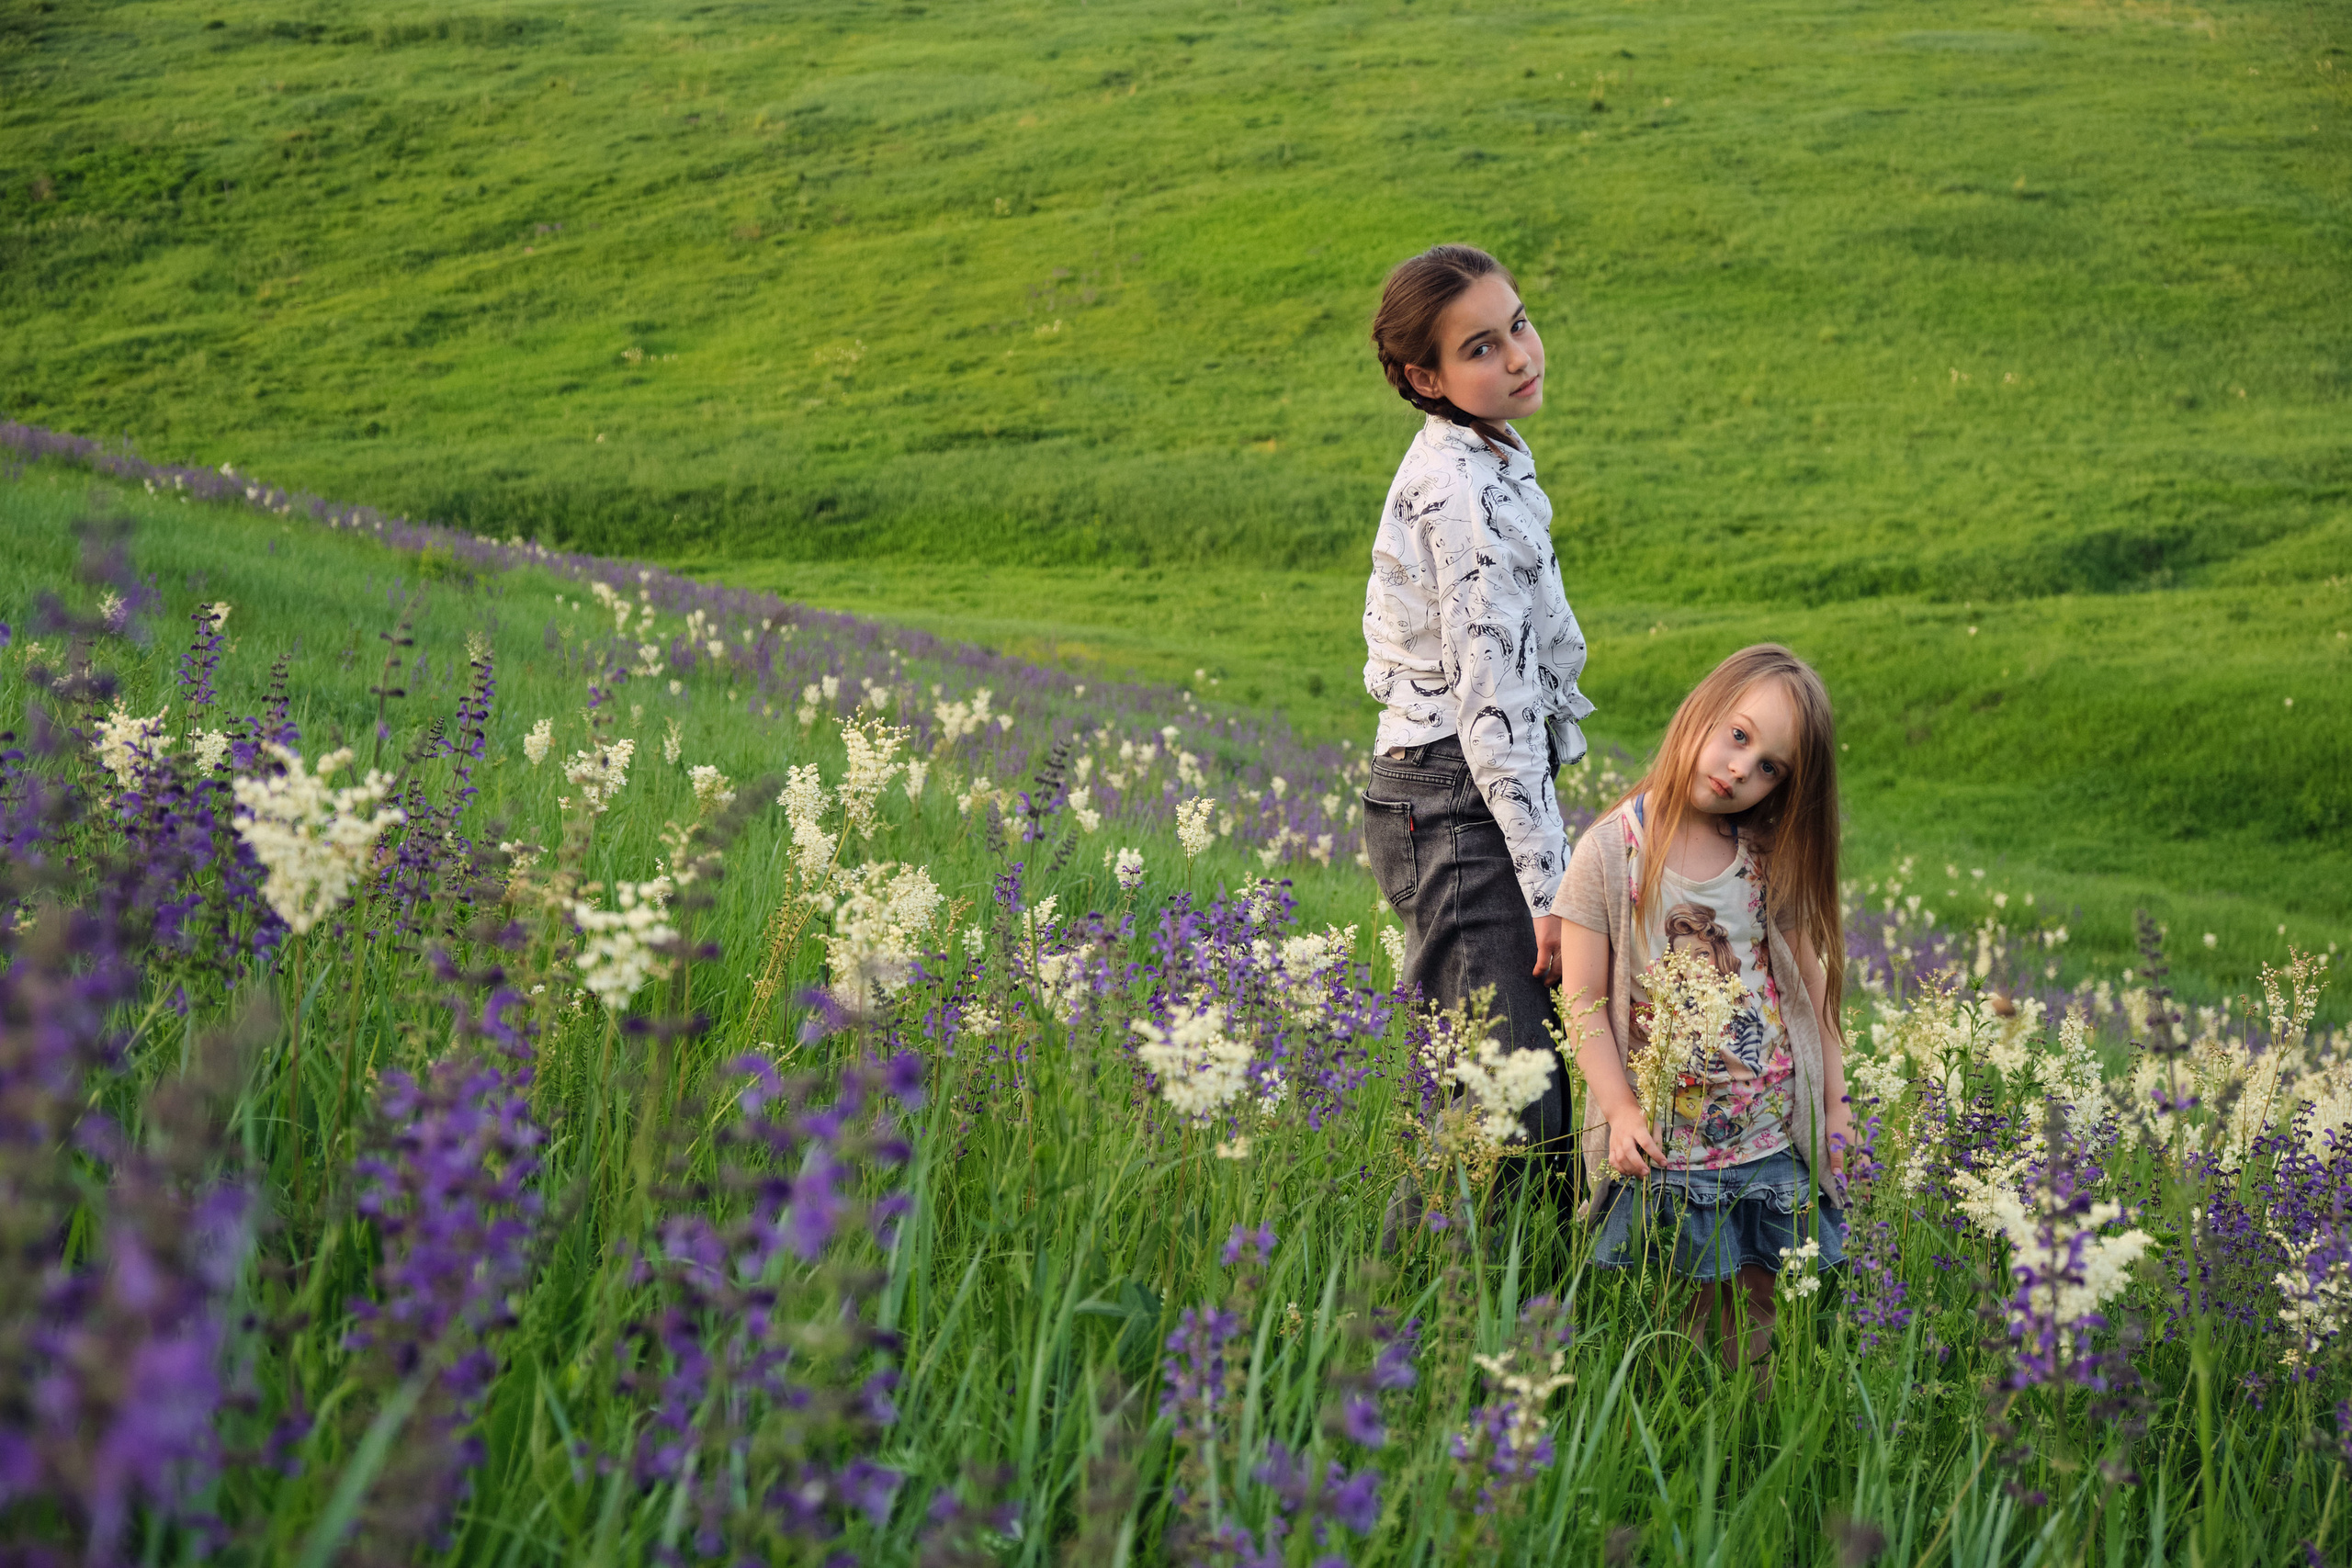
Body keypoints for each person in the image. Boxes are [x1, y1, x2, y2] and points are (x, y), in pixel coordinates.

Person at [1555, 644, 1850, 1385]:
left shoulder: (1765, 855)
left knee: (1761, 1302)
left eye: (1770, 767)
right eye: (1738, 735)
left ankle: (1751, 1425)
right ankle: (1690, 1426)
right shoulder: (1609, 853)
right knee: (1686, 1314)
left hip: (1767, 1133)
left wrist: (1835, 1106)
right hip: (1670, 1142)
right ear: (1702, 711)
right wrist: (1620, 1109)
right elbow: (1583, 1001)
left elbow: (1811, 991)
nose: (1740, 769)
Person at [1360, 243, 1595, 1172]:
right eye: (1481, 347)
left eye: (1518, 325)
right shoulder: (1464, 496)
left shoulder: (1483, 455)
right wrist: (1550, 891)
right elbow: (1493, 711)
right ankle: (1426, 1268)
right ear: (1426, 377)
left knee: (1521, 1097)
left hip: (1464, 796)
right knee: (1505, 1110)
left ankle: (1509, 1272)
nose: (1519, 357)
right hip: (1458, 801)